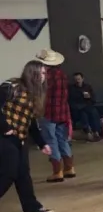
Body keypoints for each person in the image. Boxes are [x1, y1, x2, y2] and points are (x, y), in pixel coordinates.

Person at [0, 60, 54, 212]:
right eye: (42, 73)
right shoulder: (11, 86)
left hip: (20, 138)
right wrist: (5, 127)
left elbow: (31, 121)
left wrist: (42, 142)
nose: (44, 77)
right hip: (4, 137)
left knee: (23, 174)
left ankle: (31, 208)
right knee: (8, 172)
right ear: (33, 73)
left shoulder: (34, 95)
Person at [36, 49, 73, 183]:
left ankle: (57, 172)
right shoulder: (62, 74)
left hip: (48, 112)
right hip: (62, 112)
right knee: (62, 139)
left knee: (51, 140)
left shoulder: (45, 76)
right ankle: (69, 168)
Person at [69, 72, 101, 141]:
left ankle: (95, 131)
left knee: (93, 112)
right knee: (83, 114)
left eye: (79, 79)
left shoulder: (88, 87)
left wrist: (89, 97)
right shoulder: (72, 88)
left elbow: (94, 99)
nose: (77, 81)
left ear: (82, 79)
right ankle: (89, 132)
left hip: (88, 106)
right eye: (76, 79)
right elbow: (71, 101)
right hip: (78, 108)